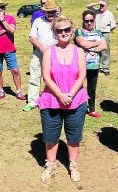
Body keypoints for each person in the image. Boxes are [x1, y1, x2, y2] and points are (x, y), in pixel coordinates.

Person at [37, 15, 88, 182]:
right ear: (55, 33)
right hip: (52, 100)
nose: (64, 33)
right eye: (60, 31)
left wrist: (70, 95)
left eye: (67, 29)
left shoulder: (79, 51)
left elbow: (82, 76)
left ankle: (73, 164)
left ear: (72, 31)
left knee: (74, 136)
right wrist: (60, 95)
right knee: (51, 136)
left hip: (76, 100)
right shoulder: (48, 52)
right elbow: (46, 77)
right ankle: (50, 164)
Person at [0, 0, 25, 101]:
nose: (0, 9)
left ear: (5, 8)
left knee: (15, 70)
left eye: (2, 7)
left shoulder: (10, 18)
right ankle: (1, 91)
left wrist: (3, 20)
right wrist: (4, 30)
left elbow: (12, 30)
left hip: (9, 49)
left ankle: (19, 91)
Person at [25, 0, 59, 111]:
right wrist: (42, 48)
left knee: (55, 77)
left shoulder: (60, 21)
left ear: (56, 11)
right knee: (35, 76)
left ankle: (54, 98)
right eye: (48, 12)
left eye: (52, 12)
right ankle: (32, 101)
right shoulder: (38, 21)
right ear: (44, 12)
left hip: (56, 53)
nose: (50, 14)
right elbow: (32, 38)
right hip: (39, 53)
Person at [74, 10, 107, 118]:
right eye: (86, 21)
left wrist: (91, 46)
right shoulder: (79, 32)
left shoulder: (98, 32)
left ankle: (91, 109)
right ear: (83, 21)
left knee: (92, 89)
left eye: (91, 21)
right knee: (78, 87)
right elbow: (83, 44)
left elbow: (105, 46)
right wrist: (97, 44)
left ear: (94, 20)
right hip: (80, 65)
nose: (89, 23)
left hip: (94, 65)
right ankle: (77, 107)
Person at [86, 0, 117, 75]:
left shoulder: (109, 14)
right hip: (96, 33)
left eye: (103, 5)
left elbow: (113, 26)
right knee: (96, 50)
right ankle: (96, 67)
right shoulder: (96, 12)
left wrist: (107, 31)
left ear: (107, 6)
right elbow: (88, 6)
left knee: (105, 51)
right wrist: (97, 2)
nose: (101, 7)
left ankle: (106, 68)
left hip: (105, 33)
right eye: (100, 5)